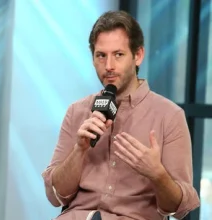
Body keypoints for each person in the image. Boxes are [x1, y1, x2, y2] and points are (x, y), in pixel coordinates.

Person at [42, 11, 200, 220]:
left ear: (138, 55)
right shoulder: (77, 111)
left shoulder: (169, 116)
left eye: (118, 54)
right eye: (101, 55)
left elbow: (179, 209)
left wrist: (157, 174)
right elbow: (55, 197)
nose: (109, 66)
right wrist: (79, 149)